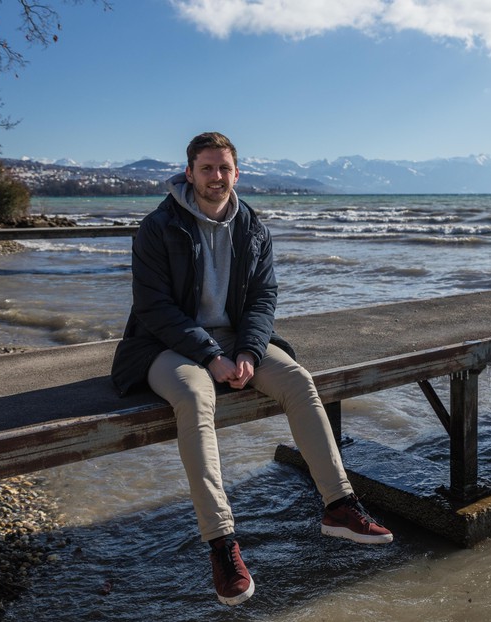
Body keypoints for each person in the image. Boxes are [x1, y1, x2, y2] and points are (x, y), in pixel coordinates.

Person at [111, 132, 392, 606]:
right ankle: (221, 543)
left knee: (299, 382)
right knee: (196, 396)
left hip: (236, 343)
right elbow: (154, 307)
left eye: (224, 168)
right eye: (206, 168)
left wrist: (249, 352)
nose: (216, 177)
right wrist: (211, 357)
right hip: (165, 346)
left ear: (236, 173)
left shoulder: (252, 227)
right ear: (189, 173)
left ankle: (338, 506)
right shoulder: (159, 227)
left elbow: (264, 299)